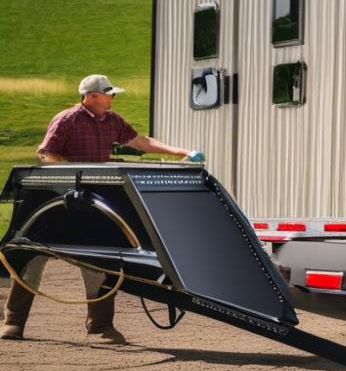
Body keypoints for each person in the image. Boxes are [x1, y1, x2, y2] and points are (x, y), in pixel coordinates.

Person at [1, 74, 203, 343]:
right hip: (58, 202)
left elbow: (139, 141)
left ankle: (100, 327)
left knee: (100, 260)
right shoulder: (67, 119)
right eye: (109, 94)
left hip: (92, 202)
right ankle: (13, 322)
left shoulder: (113, 120)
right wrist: (69, 176)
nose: (113, 98)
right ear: (92, 96)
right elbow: (46, 153)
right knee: (33, 258)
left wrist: (181, 152)